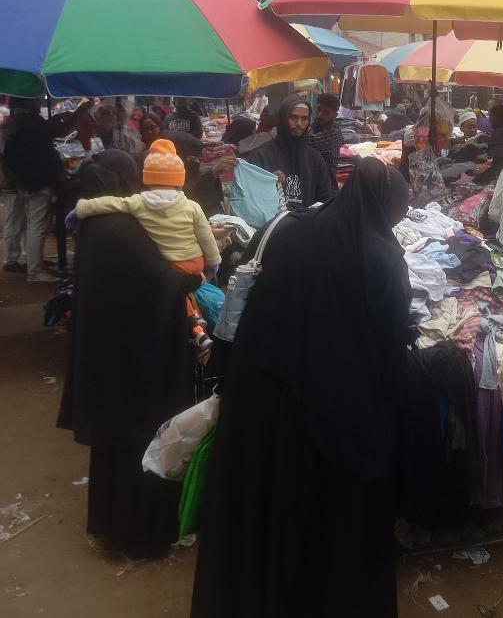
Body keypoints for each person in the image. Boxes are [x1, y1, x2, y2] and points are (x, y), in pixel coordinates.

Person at [190, 159, 412, 618]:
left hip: (266, 404)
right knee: (330, 529)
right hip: (338, 419)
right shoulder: (384, 259)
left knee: (269, 516)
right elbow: (389, 349)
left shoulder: (287, 230)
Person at [57, 178, 200, 557]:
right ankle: (141, 540)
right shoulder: (122, 231)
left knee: (111, 453)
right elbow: (162, 284)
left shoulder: (95, 227)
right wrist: (194, 274)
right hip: (140, 367)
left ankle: (110, 528)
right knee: (143, 449)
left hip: (106, 359)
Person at [72, 138, 221, 284]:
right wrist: (213, 262)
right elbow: (206, 237)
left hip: (169, 266)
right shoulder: (192, 207)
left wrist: (81, 209)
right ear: (179, 182)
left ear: (147, 179)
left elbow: (111, 203)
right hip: (194, 262)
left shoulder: (137, 203)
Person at [1, 97, 92, 281]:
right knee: (37, 226)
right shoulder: (30, 121)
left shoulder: (17, 123)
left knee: (30, 224)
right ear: (27, 102)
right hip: (37, 182)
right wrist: (79, 112)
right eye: (35, 99)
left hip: (25, 182)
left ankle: (30, 262)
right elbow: (58, 131)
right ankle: (34, 270)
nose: (38, 102)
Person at [246, 94, 334, 210]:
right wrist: (267, 184)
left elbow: (324, 201)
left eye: (304, 119)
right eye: (293, 117)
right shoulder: (261, 156)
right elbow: (250, 200)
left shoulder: (315, 160)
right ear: (282, 119)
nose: (299, 124)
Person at [306, 93, 344, 183]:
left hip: (325, 186)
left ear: (335, 116)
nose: (320, 115)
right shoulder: (314, 126)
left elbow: (308, 142)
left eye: (326, 112)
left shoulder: (333, 133)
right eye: (319, 109)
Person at [474, 104, 503, 185]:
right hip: (500, 165)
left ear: (497, 117)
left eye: (491, 116)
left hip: (500, 167)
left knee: (477, 181)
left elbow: (490, 148)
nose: (489, 119)